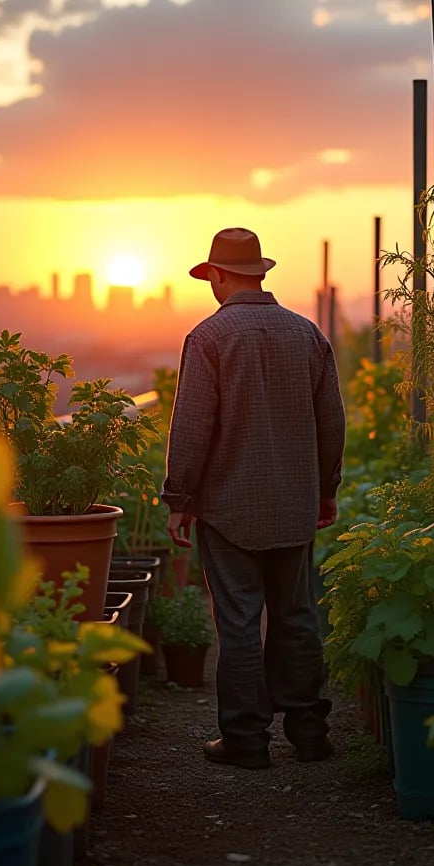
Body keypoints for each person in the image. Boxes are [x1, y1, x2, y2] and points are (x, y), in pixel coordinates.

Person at [161, 227, 346, 770]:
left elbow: (193, 426)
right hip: (294, 504)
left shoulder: (209, 338)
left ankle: (245, 740)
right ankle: (310, 734)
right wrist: (325, 490)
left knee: (239, 621)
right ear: (260, 272)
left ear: (217, 275)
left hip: (228, 506)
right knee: (296, 615)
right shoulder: (307, 334)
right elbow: (331, 422)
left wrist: (180, 498)